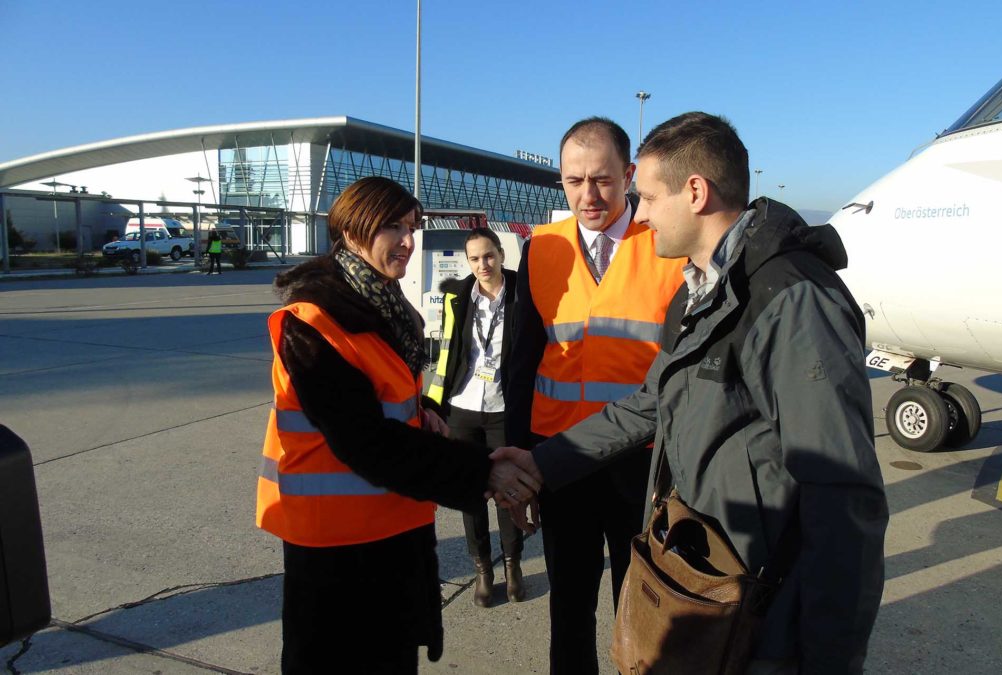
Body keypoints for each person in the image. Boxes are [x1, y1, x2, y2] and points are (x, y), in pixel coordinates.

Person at [497, 112, 888, 674]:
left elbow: (843, 495)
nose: (643, 212)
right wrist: (540, 461)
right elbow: (652, 400)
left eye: (648, 196)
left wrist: (830, 656)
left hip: (763, 587)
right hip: (712, 558)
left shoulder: (790, 298)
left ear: (696, 192)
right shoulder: (700, 291)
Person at [255, 177, 540, 674]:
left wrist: (421, 413)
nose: (408, 241)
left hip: (389, 537)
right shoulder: (313, 323)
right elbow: (366, 443)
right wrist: (483, 473)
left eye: (412, 226)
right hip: (335, 557)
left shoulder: (380, 311)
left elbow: (385, 408)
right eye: (393, 226)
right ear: (350, 229)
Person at [506, 117, 685, 674]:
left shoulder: (666, 245)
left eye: (603, 181)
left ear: (629, 175)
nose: (587, 195)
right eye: (573, 181)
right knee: (569, 607)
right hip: (563, 463)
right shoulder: (541, 250)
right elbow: (519, 367)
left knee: (642, 611)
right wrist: (519, 467)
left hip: (644, 465)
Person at [426, 227, 525, 607]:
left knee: (507, 493)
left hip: (504, 409)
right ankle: (483, 570)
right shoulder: (457, 296)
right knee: (471, 495)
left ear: (501, 255)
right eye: (474, 258)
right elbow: (449, 353)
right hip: (463, 407)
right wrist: (436, 406)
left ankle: (513, 566)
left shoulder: (521, 293)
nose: (482, 265)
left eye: (488, 256)